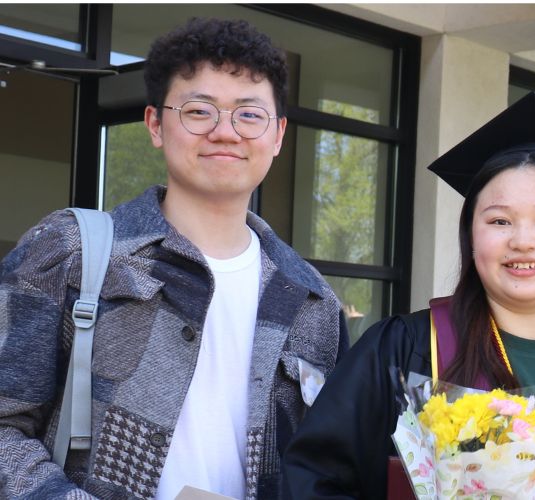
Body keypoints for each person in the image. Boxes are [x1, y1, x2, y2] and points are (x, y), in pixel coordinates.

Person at [0, 18, 347, 499]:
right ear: (155, 125)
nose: (225, 132)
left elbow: (328, 463)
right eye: (199, 110)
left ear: (279, 135)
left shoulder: (312, 301)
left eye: (249, 115)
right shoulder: (71, 253)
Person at [282, 94, 535, 499]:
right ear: (470, 236)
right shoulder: (402, 351)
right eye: (500, 220)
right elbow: (313, 480)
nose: (523, 241)